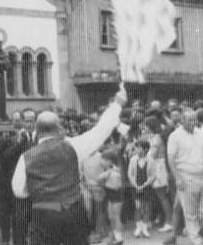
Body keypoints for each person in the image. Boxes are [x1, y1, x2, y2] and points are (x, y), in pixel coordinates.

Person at [11, 85, 127, 245]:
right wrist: (117, 104)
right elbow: (100, 131)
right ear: (59, 128)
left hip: (43, 213)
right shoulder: (72, 146)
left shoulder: (26, 157)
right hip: (72, 211)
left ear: (37, 131)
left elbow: (19, 191)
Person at [166, 111, 203, 245]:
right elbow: (171, 159)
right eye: (189, 120)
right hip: (186, 176)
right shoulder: (175, 136)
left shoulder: (202, 133)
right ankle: (196, 240)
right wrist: (177, 178)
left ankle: (193, 230)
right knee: (190, 211)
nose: (193, 123)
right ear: (182, 120)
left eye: (194, 120)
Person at [0, 119, 33, 245]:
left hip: (28, 184)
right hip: (8, 184)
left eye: (32, 120)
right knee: (6, 214)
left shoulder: (37, 139)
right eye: (26, 121)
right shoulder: (7, 139)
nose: (29, 124)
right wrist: (18, 143)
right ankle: (6, 240)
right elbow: (4, 158)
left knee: (21, 218)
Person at [128, 140, 157, 238]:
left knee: (147, 208)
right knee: (138, 208)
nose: (136, 149)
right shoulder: (133, 160)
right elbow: (130, 174)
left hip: (147, 187)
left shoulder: (151, 160)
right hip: (135, 187)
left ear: (145, 149)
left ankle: (144, 228)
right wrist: (135, 185)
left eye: (138, 147)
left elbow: (153, 176)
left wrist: (144, 185)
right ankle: (138, 228)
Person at [99, 149, 125, 245]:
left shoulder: (115, 170)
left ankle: (119, 238)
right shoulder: (109, 170)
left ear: (109, 161)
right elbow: (100, 177)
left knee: (116, 216)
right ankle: (113, 236)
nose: (101, 162)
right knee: (111, 217)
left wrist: (106, 178)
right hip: (110, 195)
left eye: (103, 160)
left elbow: (115, 185)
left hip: (116, 195)